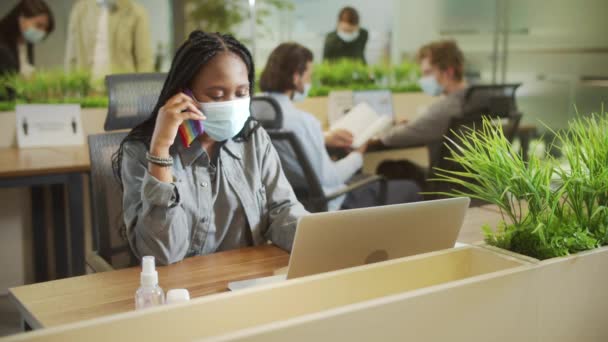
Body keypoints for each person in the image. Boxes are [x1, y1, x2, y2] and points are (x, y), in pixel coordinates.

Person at [114, 31, 307, 265]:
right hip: (178, 292)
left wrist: (317, 239)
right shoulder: (140, 152)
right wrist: (161, 150)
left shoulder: (253, 138)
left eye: (241, 93)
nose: (231, 104)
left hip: (247, 282)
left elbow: (283, 209)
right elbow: (161, 254)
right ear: (184, 93)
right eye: (217, 95)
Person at [259, 42, 421, 211]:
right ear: (296, 77)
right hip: (333, 204)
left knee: (363, 178)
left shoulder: (257, 114)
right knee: (410, 188)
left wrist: (324, 137)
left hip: (291, 203)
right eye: (309, 76)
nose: (309, 82)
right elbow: (330, 179)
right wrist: (358, 155)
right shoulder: (304, 122)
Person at [373, 40, 468, 149]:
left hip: (444, 166)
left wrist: (381, 129)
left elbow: (391, 138)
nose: (423, 79)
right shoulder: (475, 98)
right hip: (472, 165)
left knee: (388, 166)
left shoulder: (446, 107)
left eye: (428, 73)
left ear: (449, 72)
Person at [65, 0, 153, 79]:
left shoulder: (136, 12)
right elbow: (72, 58)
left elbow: (144, 61)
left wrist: (142, 93)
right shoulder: (80, 11)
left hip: (122, 89)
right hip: (87, 90)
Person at [0, 0, 54, 77]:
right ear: (21, 18)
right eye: (38, 25)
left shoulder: (28, 43)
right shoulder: (2, 45)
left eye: (45, 29)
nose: (42, 33)